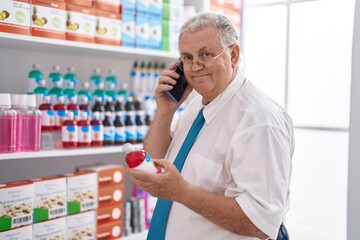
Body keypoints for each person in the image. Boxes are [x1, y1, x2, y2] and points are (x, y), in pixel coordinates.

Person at [127, 12, 295, 240]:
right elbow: (155, 158)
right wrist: (165, 112)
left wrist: (182, 193)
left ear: (233, 55)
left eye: (205, 54)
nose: (195, 66)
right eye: (186, 57)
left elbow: (261, 223)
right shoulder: (197, 105)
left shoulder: (259, 122)